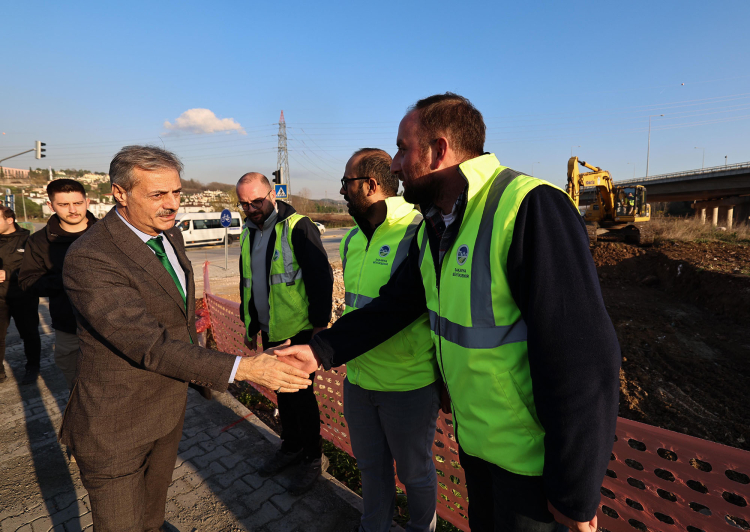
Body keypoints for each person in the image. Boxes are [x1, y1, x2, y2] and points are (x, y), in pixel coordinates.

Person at [277, 93, 621, 532]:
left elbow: (584, 357)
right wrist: (318, 349)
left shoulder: (528, 207)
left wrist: (575, 492)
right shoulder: (436, 228)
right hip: (477, 450)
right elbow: (394, 308)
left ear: (439, 150)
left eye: (404, 148)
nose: (396, 165)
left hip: (531, 471)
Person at [60, 145, 312, 532]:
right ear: (120, 193)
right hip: (117, 426)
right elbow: (149, 344)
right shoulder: (91, 257)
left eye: (176, 192)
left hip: (168, 410)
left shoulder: (171, 236)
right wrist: (242, 369)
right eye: (157, 194)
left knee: (152, 519)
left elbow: (179, 320)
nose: (172, 205)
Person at [339, 148, 440, 532]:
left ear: (370, 185)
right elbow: (355, 310)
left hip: (407, 385)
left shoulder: (418, 232)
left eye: (347, 183)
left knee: (415, 475)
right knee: (371, 468)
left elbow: (407, 309)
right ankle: (373, 526)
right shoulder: (350, 240)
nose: (343, 192)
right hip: (359, 382)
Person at [236, 172, 333, 495]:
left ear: (272, 195)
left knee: (301, 397)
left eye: (257, 201)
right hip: (269, 330)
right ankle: (291, 448)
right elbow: (246, 281)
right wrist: (250, 324)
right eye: (244, 204)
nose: (251, 208)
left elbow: (321, 277)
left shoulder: (297, 226)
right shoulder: (248, 233)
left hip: (299, 332)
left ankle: (313, 457)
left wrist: (320, 327)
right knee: (282, 392)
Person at [19, 179, 97, 391]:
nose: (73, 210)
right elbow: (27, 282)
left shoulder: (106, 234)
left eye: (78, 203)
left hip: (111, 326)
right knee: (77, 391)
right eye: (64, 205)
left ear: (87, 201)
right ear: (50, 205)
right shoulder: (38, 241)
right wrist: (67, 278)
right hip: (68, 328)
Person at [0, 206, 41, 385]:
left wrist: (8, 275)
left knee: (29, 334)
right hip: (0, 298)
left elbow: (36, 270)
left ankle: (32, 367)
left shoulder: (29, 241)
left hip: (24, 296)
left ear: (10, 220)